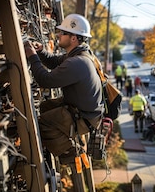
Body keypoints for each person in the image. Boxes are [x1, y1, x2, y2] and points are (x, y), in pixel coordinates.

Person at [24, 13, 104, 163]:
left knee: (43, 123)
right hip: (84, 110)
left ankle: (69, 152)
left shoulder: (77, 62)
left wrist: (32, 56)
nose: (59, 35)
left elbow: (45, 80)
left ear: (73, 38)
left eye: (63, 33)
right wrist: (40, 52)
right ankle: (58, 140)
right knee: (45, 106)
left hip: (84, 117)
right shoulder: (79, 54)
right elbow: (54, 62)